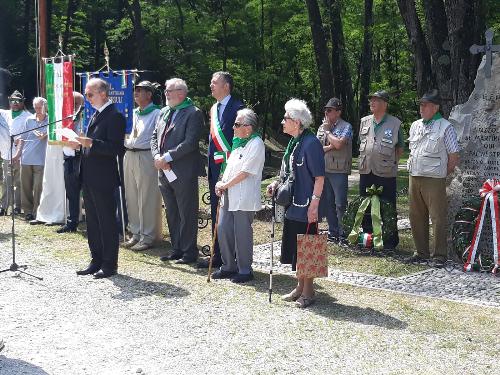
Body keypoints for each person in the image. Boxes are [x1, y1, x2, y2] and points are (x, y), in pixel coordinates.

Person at [267, 99, 325, 308]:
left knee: (308, 246)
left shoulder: (311, 144)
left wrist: (315, 204)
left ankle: (309, 292)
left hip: (307, 205)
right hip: (293, 205)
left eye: (286, 118)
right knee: (296, 247)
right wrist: (276, 183)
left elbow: (320, 177)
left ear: (298, 122)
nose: (283, 121)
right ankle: (300, 286)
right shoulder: (294, 142)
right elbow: (288, 172)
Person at [69, 78, 126, 279]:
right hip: (89, 176)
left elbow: (116, 149)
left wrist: (91, 143)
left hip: (103, 178)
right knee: (92, 222)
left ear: (103, 93)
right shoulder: (96, 114)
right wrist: (81, 145)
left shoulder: (114, 116)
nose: (87, 97)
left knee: (106, 222)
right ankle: (96, 260)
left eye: (90, 94)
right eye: (86, 94)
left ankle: (110, 264)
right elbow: (94, 144)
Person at [151, 78, 203, 264]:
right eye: (166, 90)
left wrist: (167, 157)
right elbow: (154, 136)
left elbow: (190, 143)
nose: (166, 93)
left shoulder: (193, 113)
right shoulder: (164, 112)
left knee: (186, 212)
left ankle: (189, 252)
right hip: (163, 170)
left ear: (181, 93)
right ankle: (176, 248)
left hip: (182, 171)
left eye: (169, 91)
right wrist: (157, 157)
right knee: (171, 211)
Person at [406, 90, 459, 267]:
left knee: (437, 217)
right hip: (415, 176)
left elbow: (453, 156)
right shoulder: (415, 125)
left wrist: (443, 174)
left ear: (435, 107)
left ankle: (439, 255)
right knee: (416, 215)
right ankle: (421, 252)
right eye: (421, 104)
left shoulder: (445, 127)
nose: (421, 108)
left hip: (434, 178)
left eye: (425, 105)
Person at [211, 108, 265, 283]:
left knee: (242, 233)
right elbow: (229, 168)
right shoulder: (238, 143)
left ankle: (244, 269)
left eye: (237, 124)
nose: (233, 128)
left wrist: (225, 185)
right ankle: (228, 266)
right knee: (223, 228)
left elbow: (245, 171)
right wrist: (221, 183)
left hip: (244, 196)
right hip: (229, 194)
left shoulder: (256, 144)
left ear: (248, 127)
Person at [198, 71, 244, 269]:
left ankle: (231, 256)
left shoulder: (239, 108)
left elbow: (242, 140)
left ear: (226, 86)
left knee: (230, 212)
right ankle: (217, 255)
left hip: (231, 169)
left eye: (214, 82)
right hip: (215, 168)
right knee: (216, 209)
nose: (211, 85)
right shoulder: (214, 108)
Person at [358, 90, 403, 249]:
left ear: (385, 104)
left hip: (385, 173)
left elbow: (400, 149)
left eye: (376, 100)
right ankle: (368, 239)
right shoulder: (364, 121)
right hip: (366, 171)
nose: (372, 103)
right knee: (365, 206)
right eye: (371, 100)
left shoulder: (395, 123)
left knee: (388, 207)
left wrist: (390, 163)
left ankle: (390, 241)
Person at [123, 81, 162, 251]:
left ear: (149, 94)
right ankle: (136, 233)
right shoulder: (132, 113)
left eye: (140, 91)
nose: (136, 93)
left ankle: (148, 236)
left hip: (146, 155)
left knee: (147, 197)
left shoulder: (157, 113)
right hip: (129, 154)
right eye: (135, 90)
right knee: (131, 196)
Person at [316, 98, 352, 243]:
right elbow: (316, 148)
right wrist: (331, 145)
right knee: (328, 203)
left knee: (340, 203)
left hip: (339, 170)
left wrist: (328, 132)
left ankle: (344, 233)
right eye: (326, 109)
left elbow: (339, 144)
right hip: (324, 170)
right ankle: (333, 231)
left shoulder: (346, 126)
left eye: (330, 110)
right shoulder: (322, 127)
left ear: (338, 112)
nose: (326, 112)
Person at [14, 97, 48, 222]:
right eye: (36, 107)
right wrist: (17, 154)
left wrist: (47, 135)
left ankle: (37, 212)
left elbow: (54, 134)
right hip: (26, 157)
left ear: (45, 107)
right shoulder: (29, 120)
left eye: (40, 107)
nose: (38, 110)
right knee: (26, 186)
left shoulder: (51, 120)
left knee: (39, 186)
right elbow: (22, 138)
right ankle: (28, 212)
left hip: (41, 159)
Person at [0, 91, 31, 215]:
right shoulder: (3, 114)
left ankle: (18, 207)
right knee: (6, 181)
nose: (15, 103)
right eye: (12, 100)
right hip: (6, 152)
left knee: (19, 182)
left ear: (22, 102)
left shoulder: (27, 116)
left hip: (21, 154)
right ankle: (4, 206)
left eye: (18, 101)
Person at [57, 92, 84, 233]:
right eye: (72, 104)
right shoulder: (66, 119)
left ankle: (91, 221)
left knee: (87, 193)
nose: (74, 107)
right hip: (68, 159)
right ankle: (72, 222)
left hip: (81, 159)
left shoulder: (85, 118)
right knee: (71, 193)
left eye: (76, 104)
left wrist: (79, 143)